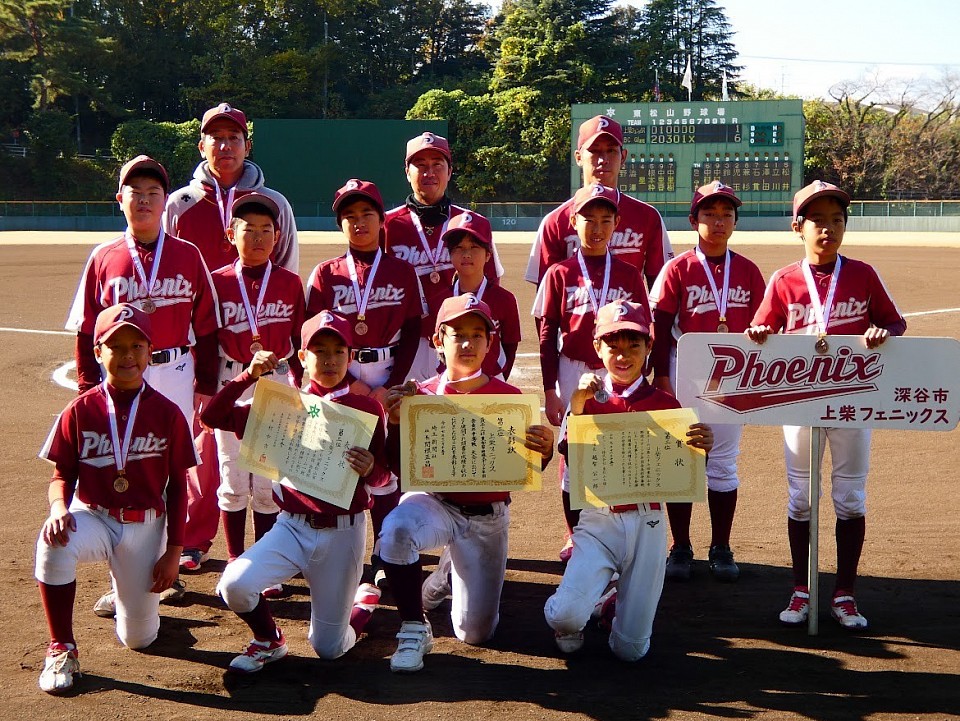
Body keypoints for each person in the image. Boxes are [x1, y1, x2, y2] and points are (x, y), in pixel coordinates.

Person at [747, 180, 906, 630]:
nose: (828, 228)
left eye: (837, 220)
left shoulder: (863, 274)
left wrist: (882, 333)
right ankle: (802, 588)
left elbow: (895, 323)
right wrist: (761, 334)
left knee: (850, 499)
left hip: (853, 402)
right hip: (800, 402)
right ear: (798, 227)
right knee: (801, 499)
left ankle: (845, 593)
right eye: (817, 220)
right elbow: (762, 330)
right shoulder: (784, 279)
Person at [65, 155, 220, 615]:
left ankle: (167, 563)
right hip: (118, 374)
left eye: (154, 193)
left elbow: (207, 326)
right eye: (136, 192)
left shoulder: (188, 254)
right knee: (122, 462)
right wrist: (87, 389)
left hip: (174, 370)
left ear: (165, 201)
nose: (146, 200)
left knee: (171, 469)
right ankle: (122, 577)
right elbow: (86, 329)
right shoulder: (103, 256)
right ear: (121, 200)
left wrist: (205, 386)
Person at [201, 311, 389, 673]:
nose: (330, 359)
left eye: (339, 351)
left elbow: (383, 480)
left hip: (343, 534)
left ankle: (361, 607)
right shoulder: (283, 404)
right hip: (291, 527)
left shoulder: (367, 409)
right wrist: (247, 376)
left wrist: (371, 470)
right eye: (320, 350)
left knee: (329, 648)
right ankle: (269, 639)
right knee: (234, 585)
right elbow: (212, 418)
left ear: (351, 357)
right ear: (302, 356)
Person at [379, 294, 555, 673]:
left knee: (475, 633)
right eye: (457, 334)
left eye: (478, 335)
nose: (468, 343)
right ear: (438, 340)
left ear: (490, 343)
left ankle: (444, 574)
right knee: (395, 530)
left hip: (487, 517)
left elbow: (525, 469)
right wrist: (394, 426)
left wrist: (544, 450)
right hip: (436, 502)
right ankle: (413, 627)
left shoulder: (510, 399)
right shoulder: (420, 396)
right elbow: (397, 468)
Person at [164, 102, 299, 574]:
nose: (225, 146)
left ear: (247, 144)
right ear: (202, 145)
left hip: (266, 361)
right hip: (207, 352)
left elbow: (287, 271)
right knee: (210, 455)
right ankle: (195, 538)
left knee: (264, 469)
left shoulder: (275, 202)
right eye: (216, 138)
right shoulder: (180, 202)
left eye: (234, 138)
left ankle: (263, 554)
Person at [35, 304, 197, 694]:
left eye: (136, 346)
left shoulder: (168, 413)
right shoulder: (80, 410)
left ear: (150, 351)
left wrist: (174, 551)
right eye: (116, 346)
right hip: (95, 516)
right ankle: (61, 647)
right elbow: (62, 476)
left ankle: (125, 589)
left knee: (139, 640)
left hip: (146, 526)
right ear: (98, 352)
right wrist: (58, 507)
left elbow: (178, 487)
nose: (127, 356)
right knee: (53, 541)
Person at [544, 300, 713, 660]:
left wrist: (702, 449)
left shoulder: (667, 404)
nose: (623, 355)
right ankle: (575, 613)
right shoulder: (584, 399)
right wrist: (577, 405)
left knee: (631, 651)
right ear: (597, 347)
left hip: (648, 523)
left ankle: (608, 604)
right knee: (565, 615)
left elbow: (684, 473)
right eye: (613, 345)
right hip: (599, 520)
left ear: (649, 346)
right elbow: (571, 460)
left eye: (634, 345)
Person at [305, 179, 426, 587]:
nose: (359, 222)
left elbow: (413, 330)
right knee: (343, 459)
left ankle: (384, 551)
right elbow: (313, 334)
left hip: (387, 372)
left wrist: (391, 384)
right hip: (343, 375)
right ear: (340, 224)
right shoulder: (326, 273)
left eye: (367, 214)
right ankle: (340, 549)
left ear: (381, 219)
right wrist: (348, 384)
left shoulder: (402, 270)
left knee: (385, 467)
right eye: (350, 216)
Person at [649, 181, 765, 582]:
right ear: (693, 220)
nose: (718, 222)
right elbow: (660, 327)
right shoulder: (677, 268)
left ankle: (721, 546)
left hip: (733, 375)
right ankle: (680, 545)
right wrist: (662, 378)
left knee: (723, 463)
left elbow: (766, 324)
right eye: (710, 214)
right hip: (685, 369)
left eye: (726, 215)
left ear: (735, 221)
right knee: (681, 458)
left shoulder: (747, 270)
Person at [532, 183, 649, 562]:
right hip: (574, 369)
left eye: (605, 220)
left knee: (617, 446)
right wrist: (550, 390)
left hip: (619, 369)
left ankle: (614, 523)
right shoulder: (560, 273)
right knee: (574, 450)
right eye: (589, 220)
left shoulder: (629, 274)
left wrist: (641, 379)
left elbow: (645, 330)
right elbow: (547, 333)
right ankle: (575, 534)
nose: (597, 228)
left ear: (616, 223)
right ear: (573, 222)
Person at [207, 192, 305, 595]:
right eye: (249, 229)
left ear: (278, 236)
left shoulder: (289, 282)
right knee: (232, 477)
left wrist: (305, 389)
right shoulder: (217, 282)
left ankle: (262, 562)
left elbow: (299, 339)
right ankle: (236, 559)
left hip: (277, 381)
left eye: (267, 229)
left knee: (267, 480)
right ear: (232, 233)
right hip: (232, 378)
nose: (259, 237)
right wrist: (204, 389)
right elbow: (205, 339)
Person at [382, 131, 505, 381]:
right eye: (420, 165)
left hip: (458, 340)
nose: (429, 173)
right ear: (407, 172)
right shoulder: (388, 225)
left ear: (449, 172)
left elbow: (491, 284)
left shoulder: (474, 223)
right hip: (408, 343)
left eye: (437, 165)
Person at [524, 115, 673, 289]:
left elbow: (660, 290)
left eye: (611, 151)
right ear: (578, 157)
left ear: (623, 157)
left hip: (627, 307)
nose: (603, 159)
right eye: (594, 151)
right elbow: (546, 294)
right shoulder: (555, 222)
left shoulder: (647, 217)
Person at [427, 211, 522, 381]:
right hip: (450, 382)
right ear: (450, 255)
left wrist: (498, 379)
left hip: (491, 381)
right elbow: (437, 347)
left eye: (474, 247)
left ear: (488, 255)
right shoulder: (439, 300)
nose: (466, 254)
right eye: (459, 248)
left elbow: (510, 346)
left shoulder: (505, 299)